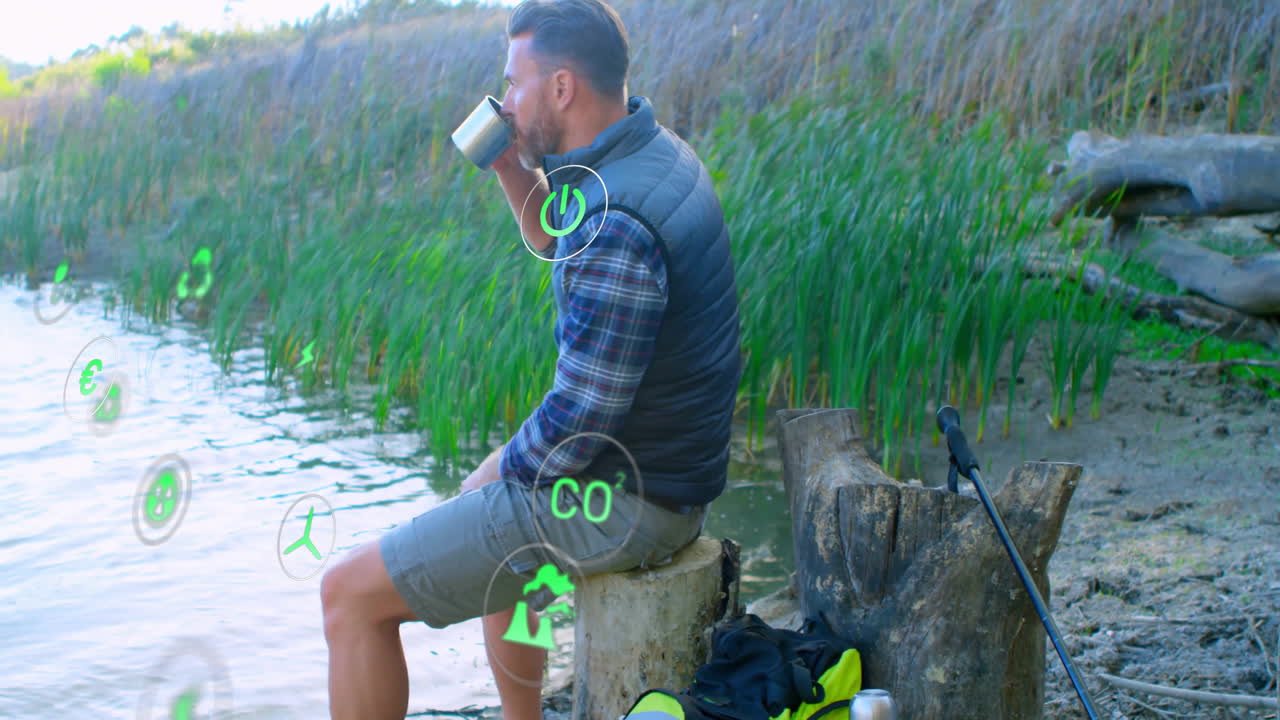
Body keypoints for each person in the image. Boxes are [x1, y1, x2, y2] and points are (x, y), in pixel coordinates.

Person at [319, 0, 741, 718]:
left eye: (514, 83)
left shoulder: (617, 223)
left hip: (634, 503)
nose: (503, 100)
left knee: (349, 595)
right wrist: (512, 164)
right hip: (662, 475)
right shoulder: (643, 154)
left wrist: (491, 478)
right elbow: (558, 239)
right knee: (503, 540)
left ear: (562, 88)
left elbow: (577, 426)